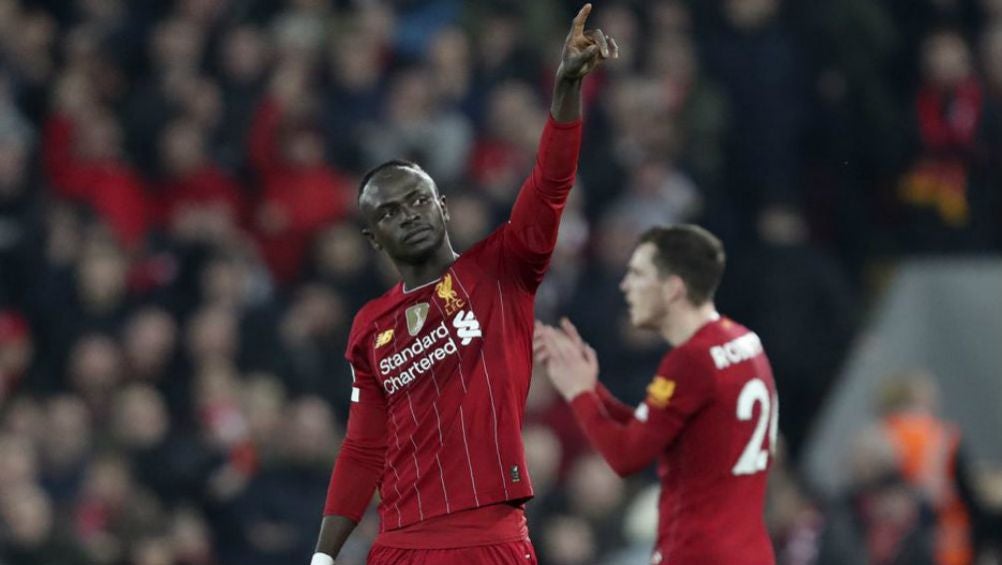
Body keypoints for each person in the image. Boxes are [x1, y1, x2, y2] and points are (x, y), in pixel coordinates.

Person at [311, 5, 618, 565]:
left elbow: (550, 185)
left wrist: (566, 89)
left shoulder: (503, 268)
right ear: (374, 238)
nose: (408, 215)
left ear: (443, 208)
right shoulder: (368, 328)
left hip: (488, 537)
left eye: (418, 200)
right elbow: (362, 448)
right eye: (389, 212)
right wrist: (325, 556)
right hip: (398, 544)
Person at [535, 225, 778, 565]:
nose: (625, 286)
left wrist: (579, 392)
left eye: (637, 275)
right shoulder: (742, 341)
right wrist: (593, 389)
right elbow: (655, 427)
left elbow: (626, 454)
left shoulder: (689, 362)